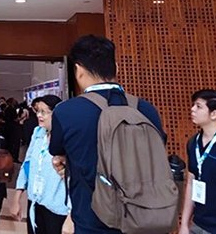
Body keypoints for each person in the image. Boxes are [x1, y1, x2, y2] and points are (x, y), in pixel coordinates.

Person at [49, 35, 165, 234]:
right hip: (143, 219)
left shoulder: (66, 111)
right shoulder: (146, 109)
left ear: (78, 70)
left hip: (91, 219)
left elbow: (57, 151)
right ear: (116, 68)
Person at [10, 95, 71, 234]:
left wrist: (71, 215)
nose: (39, 115)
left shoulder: (66, 139)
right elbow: (27, 165)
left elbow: (73, 181)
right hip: (35, 202)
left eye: (44, 112)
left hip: (56, 208)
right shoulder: (38, 133)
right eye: (38, 111)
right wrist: (17, 197)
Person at [179, 89, 216, 234]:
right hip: (198, 224)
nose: (192, 109)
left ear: (214, 114)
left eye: (198, 106)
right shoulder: (193, 142)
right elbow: (191, 182)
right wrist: (184, 224)